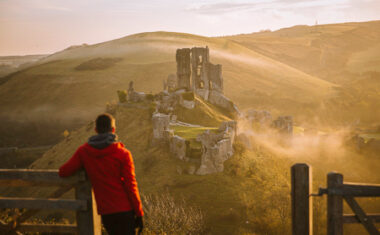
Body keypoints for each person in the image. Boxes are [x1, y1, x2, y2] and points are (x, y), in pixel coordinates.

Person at [58, 113, 144, 235]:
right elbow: (131, 186)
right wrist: (139, 213)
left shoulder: (84, 152)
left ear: (96, 130)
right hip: (126, 210)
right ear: (113, 130)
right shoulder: (123, 154)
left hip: (107, 212)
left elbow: (64, 172)